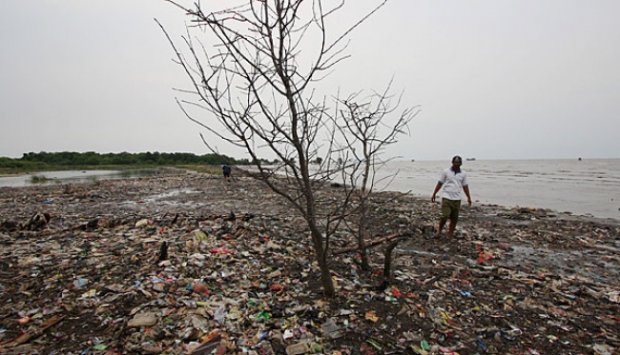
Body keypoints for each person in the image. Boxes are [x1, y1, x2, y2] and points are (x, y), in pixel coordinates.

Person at [431, 155, 472, 238]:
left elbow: (465, 186)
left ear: (461, 164)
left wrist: (469, 197)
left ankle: (450, 234)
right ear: (452, 163)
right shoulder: (446, 172)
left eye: (458, 163)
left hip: (457, 198)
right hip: (447, 196)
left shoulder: (463, 174)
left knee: (454, 218)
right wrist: (434, 193)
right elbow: (440, 183)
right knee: (445, 215)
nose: (456, 164)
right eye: (455, 162)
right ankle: (439, 231)